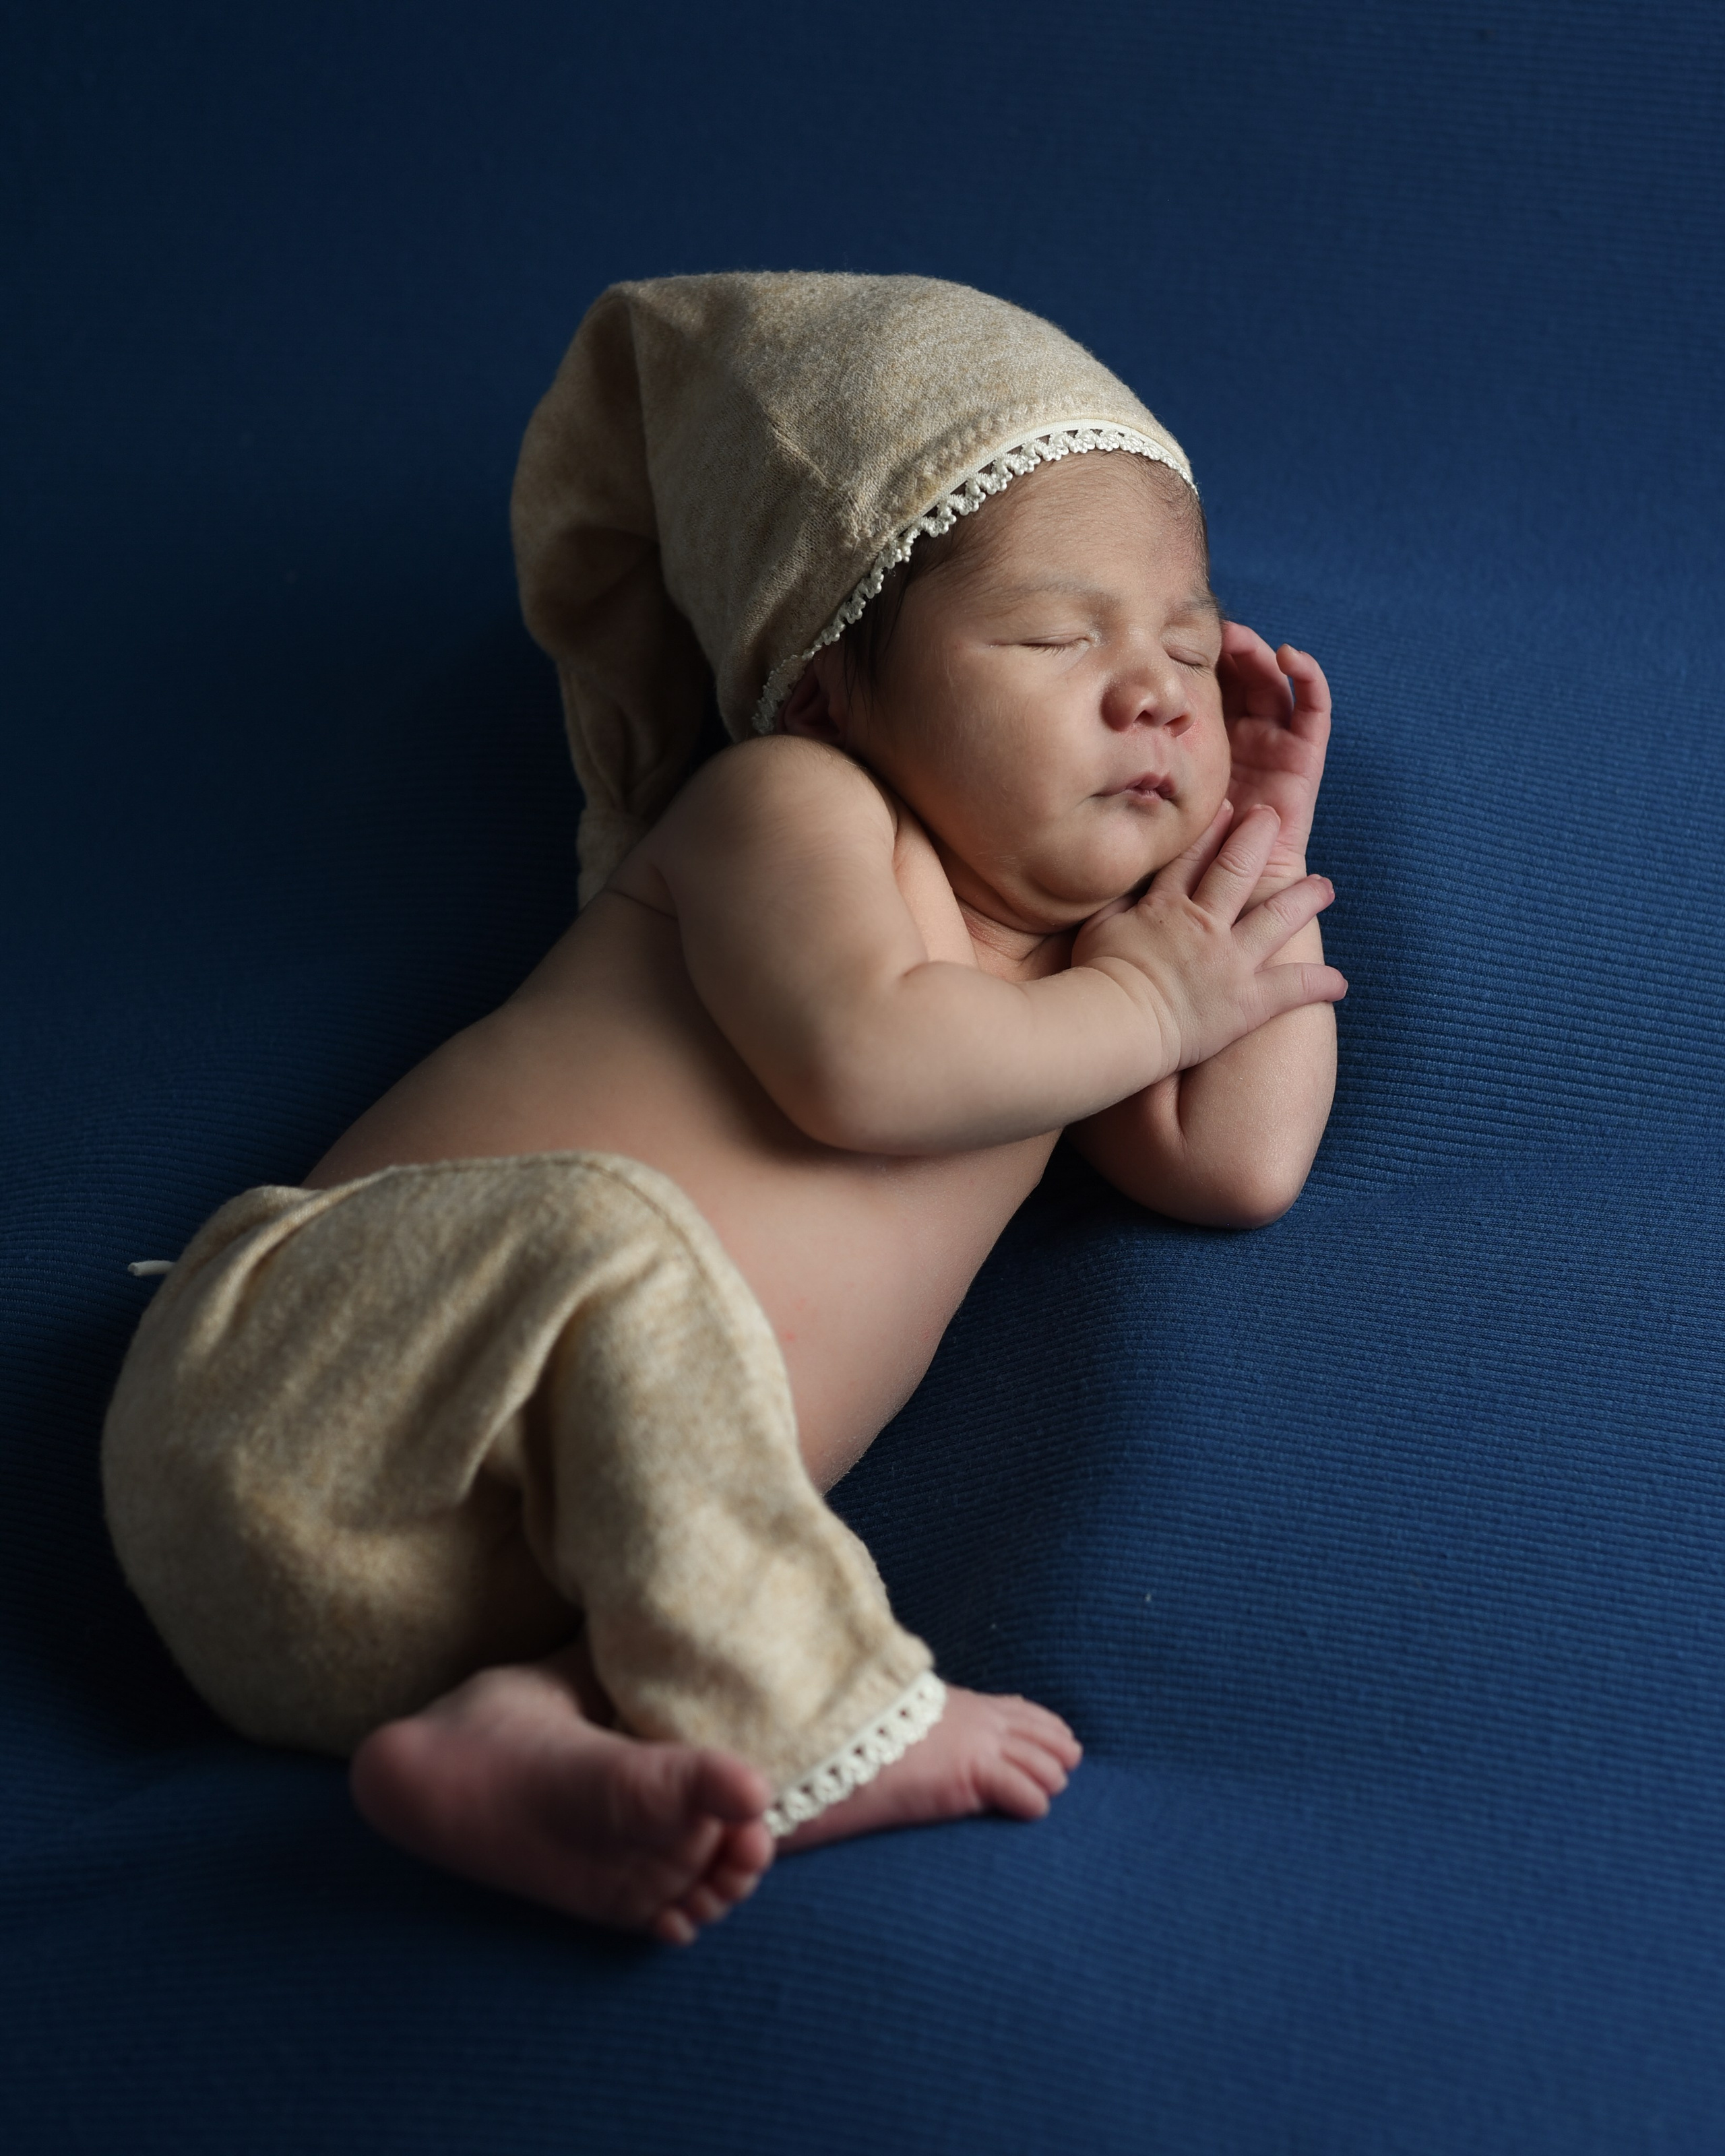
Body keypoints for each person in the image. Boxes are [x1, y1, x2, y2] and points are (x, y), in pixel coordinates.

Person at [102, 274, 1344, 1947]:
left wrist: (1250, 859)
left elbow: (1234, 1161)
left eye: (1188, 647)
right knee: (618, 1236)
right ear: (829, 684)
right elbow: (863, 1068)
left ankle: (520, 1728)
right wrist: (1144, 1002)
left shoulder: (1076, 998)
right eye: (1057, 636)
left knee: (656, 1454)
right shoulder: (792, 809)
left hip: (496, 1572)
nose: (1158, 691)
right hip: (319, 1397)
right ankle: (811, 1711)